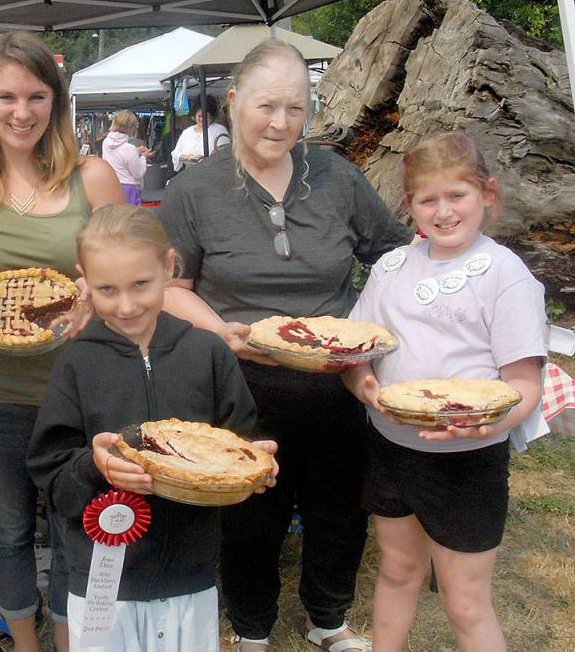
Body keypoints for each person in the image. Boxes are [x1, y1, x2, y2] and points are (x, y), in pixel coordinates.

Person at [158, 39, 415, 652]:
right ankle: (251, 628)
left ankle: (328, 619)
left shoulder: (338, 178)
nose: (280, 122)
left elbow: (395, 258)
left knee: (338, 510)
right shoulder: (192, 190)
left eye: (295, 109)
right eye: (266, 105)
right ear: (233, 101)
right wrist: (224, 334)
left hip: (338, 383)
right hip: (241, 382)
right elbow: (171, 288)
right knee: (251, 515)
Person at [0, 31, 125, 652]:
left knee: (75, 527)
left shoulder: (92, 178)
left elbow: (124, 274)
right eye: (8, 96)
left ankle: (70, 643)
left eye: (37, 97)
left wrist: (97, 290)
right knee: (10, 532)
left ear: (56, 101)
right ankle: (25, 642)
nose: (22, 112)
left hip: (79, 392)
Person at [28, 204, 277, 651]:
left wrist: (254, 468)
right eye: (107, 289)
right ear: (84, 279)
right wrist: (93, 466)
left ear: (167, 267)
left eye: (140, 284)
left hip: (189, 572)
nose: (126, 305)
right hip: (103, 580)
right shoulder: (75, 365)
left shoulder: (208, 353)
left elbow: (239, 440)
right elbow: (51, 471)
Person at [342, 132, 546, 652]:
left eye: (457, 196)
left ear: (487, 194)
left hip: (466, 462)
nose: (444, 211)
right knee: (397, 570)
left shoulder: (505, 275)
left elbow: (523, 383)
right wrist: (364, 385)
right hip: (391, 451)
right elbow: (354, 351)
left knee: (464, 599)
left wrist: (491, 423)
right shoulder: (390, 270)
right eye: (428, 200)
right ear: (410, 206)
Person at [102, 110, 151, 206]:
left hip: (111, 185)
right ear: (131, 128)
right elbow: (138, 174)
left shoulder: (106, 143)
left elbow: (119, 154)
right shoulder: (129, 149)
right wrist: (143, 157)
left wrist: (136, 151)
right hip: (128, 189)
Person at [170, 96, 229, 172]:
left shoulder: (219, 130)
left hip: (210, 173)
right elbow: (175, 154)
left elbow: (224, 156)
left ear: (211, 116)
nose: (201, 119)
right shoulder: (187, 132)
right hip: (188, 174)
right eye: (199, 116)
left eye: (205, 116)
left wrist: (206, 160)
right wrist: (188, 158)